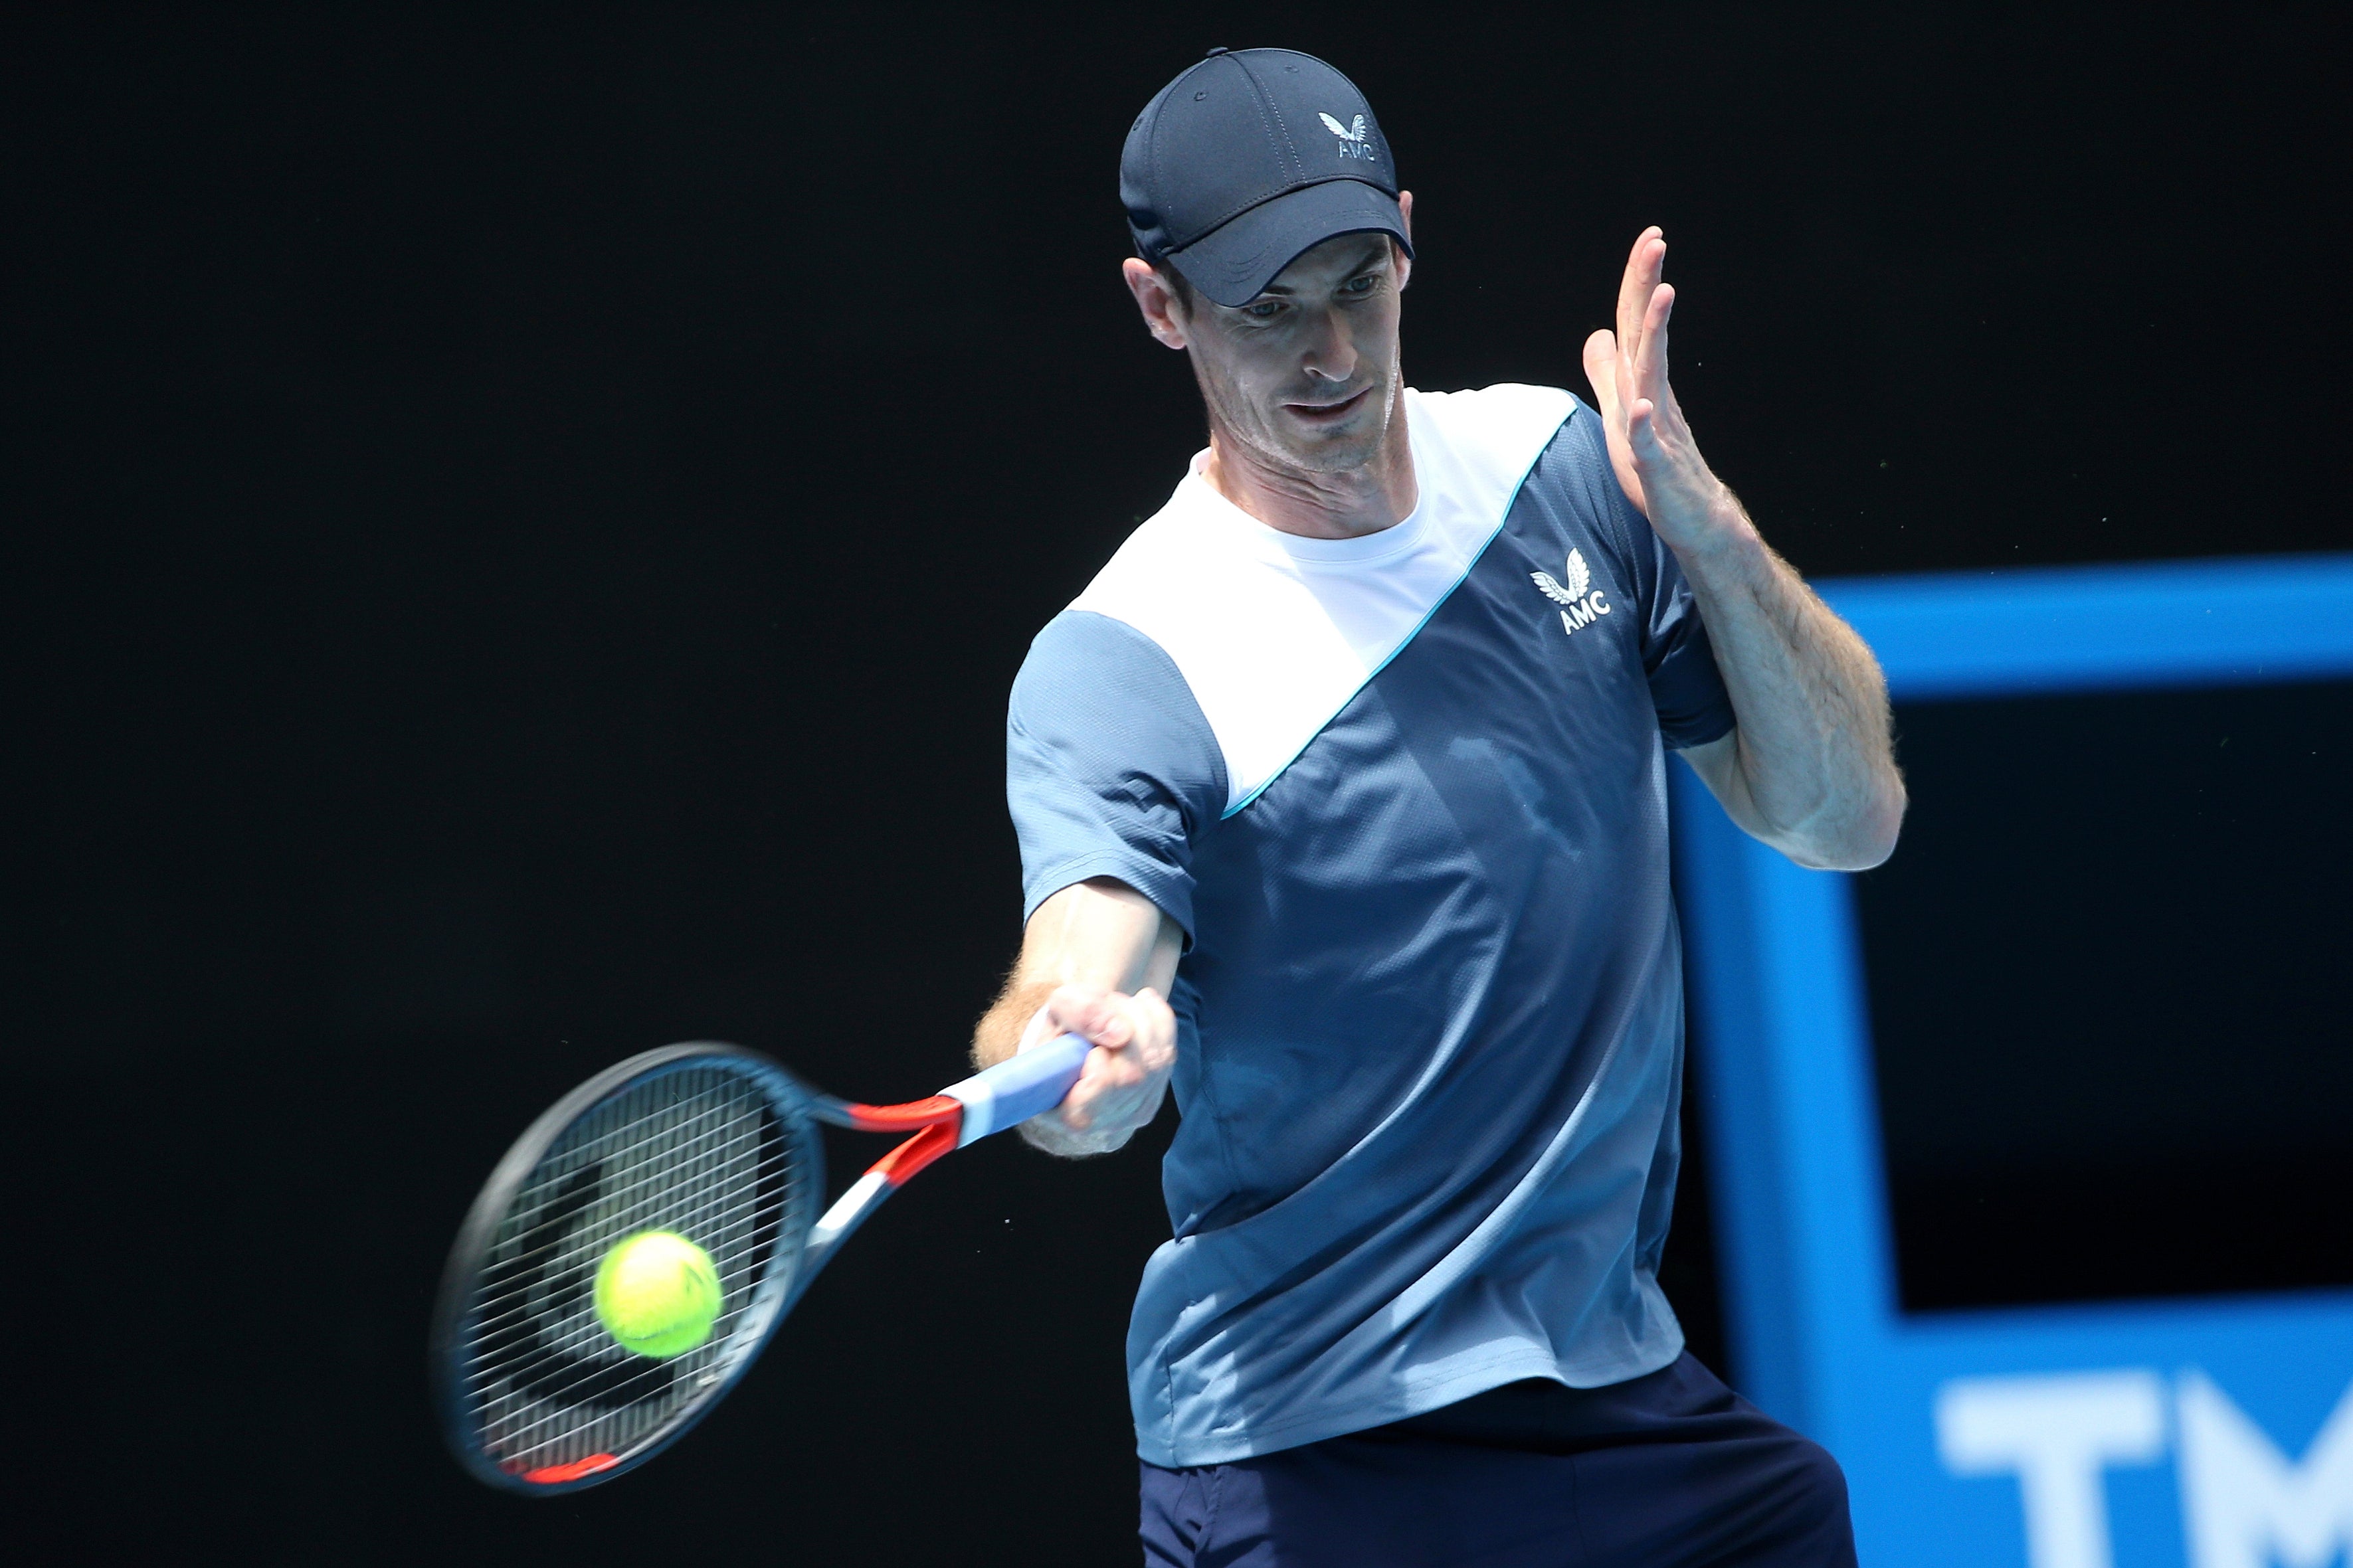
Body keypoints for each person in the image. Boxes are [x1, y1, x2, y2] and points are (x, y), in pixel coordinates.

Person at [971, 46, 1905, 1567]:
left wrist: (1698, 513)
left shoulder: (1563, 472)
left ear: (1406, 239)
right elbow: (1085, 953)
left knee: (1798, 1509)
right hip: (1312, 1445)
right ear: (1160, 307)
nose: (1331, 348)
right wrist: (1084, 1035)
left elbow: (1843, 816)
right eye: (1267, 306)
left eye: (1359, 280)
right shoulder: (1130, 655)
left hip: (1613, 1390)